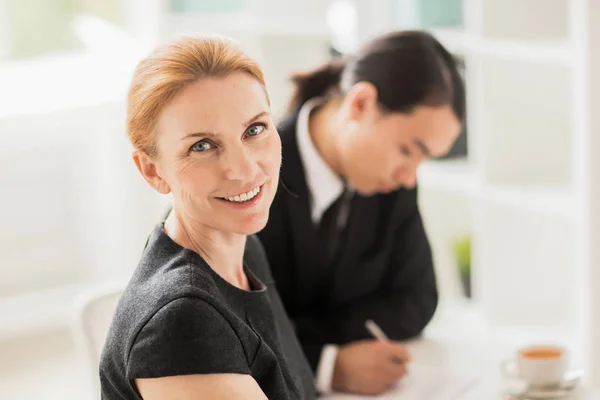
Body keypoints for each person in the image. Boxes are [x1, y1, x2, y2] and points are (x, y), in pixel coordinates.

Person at [99, 35, 316, 400]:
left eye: (254, 129)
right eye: (202, 146)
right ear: (153, 171)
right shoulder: (180, 322)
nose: (243, 169)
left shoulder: (240, 249)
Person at [256, 30, 465, 396]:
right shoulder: (251, 175)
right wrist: (326, 363)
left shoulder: (391, 184)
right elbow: (222, 328)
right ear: (361, 104)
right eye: (407, 150)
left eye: (424, 158)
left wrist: (293, 330)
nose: (410, 176)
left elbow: (419, 300)